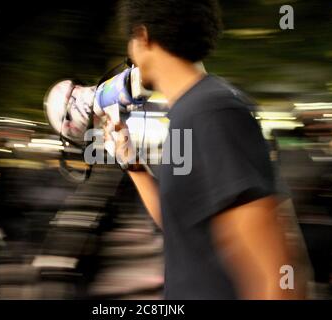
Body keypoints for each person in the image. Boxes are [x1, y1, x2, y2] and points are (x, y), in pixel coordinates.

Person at [110, 0, 307, 299]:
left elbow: (279, 274)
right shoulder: (186, 112)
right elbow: (181, 220)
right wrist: (132, 165)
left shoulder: (213, 111)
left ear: (142, 36)